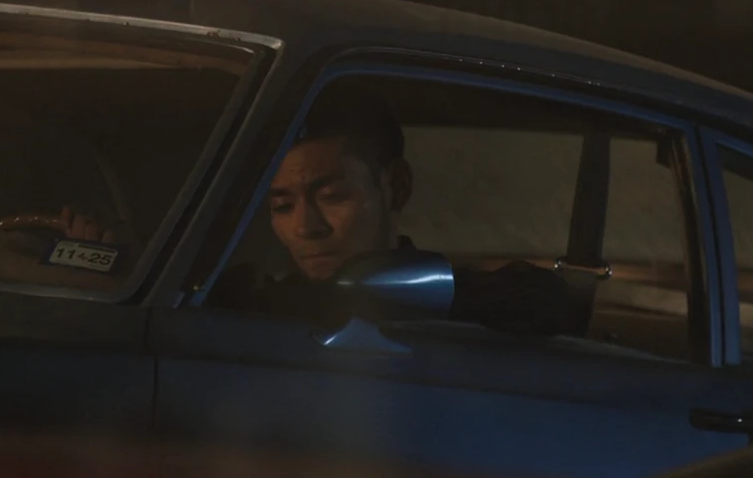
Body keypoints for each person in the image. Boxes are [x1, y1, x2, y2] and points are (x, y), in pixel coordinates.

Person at [208, 87, 580, 336]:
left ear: (396, 187)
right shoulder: (256, 314)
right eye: (283, 205)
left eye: (333, 196)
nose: (305, 227)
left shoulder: (464, 304)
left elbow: (543, 302)